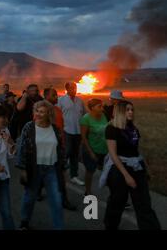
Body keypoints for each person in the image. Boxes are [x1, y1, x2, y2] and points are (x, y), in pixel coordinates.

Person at [100, 101, 161, 230]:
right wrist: (127, 176)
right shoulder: (111, 128)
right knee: (118, 201)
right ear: (120, 112)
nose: (131, 112)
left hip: (136, 166)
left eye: (132, 110)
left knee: (144, 204)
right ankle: (110, 226)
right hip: (119, 168)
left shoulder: (133, 128)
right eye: (127, 110)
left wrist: (146, 168)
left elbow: (136, 150)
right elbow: (113, 155)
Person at [17, 100, 66, 230]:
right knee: (29, 198)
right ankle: (24, 221)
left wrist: (63, 167)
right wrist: (23, 169)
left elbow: (61, 149)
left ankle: (59, 227)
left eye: (42, 112)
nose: (38, 114)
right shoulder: (29, 127)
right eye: (37, 111)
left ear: (48, 113)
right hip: (34, 168)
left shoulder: (54, 129)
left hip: (51, 169)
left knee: (56, 200)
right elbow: (22, 148)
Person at [43, 87, 76, 211]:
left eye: (56, 95)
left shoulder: (57, 109)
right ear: (46, 96)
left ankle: (63, 200)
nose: (56, 97)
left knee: (60, 176)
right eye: (53, 95)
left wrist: (62, 144)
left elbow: (61, 128)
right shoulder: (42, 110)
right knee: (44, 175)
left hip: (58, 148)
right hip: (46, 149)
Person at [57, 82, 86, 186]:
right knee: (66, 153)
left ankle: (74, 176)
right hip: (66, 131)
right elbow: (57, 116)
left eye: (75, 88)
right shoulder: (61, 100)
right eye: (72, 88)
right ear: (67, 89)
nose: (74, 90)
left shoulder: (80, 101)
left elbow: (84, 115)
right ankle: (60, 174)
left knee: (75, 154)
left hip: (78, 132)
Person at [80, 99, 108, 196]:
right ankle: (87, 191)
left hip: (104, 149)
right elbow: (83, 137)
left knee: (109, 171)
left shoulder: (104, 116)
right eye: (99, 106)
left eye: (102, 106)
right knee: (90, 171)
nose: (102, 108)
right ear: (92, 108)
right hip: (92, 149)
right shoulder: (86, 119)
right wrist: (91, 152)